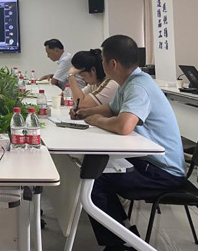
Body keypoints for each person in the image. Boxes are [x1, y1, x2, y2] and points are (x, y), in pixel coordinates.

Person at [71, 35, 186, 251]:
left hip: (163, 171)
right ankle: (123, 233)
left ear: (112, 63)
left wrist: (97, 120)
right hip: (149, 162)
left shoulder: (139, 87)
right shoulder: (130, 82)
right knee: (96, 172)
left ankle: (122, 244)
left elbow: (124, 126)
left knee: (95, 181)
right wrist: (85, 113)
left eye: (103, 59)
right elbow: (112, 109)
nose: (101, 63)